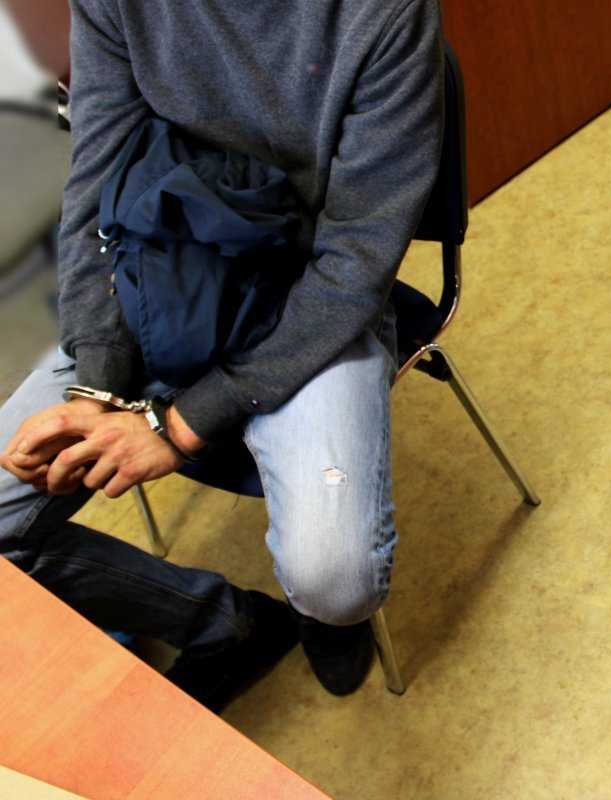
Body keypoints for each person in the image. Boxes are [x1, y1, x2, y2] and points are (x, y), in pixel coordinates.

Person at [0, 0, 444, 710]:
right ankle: (222, 625)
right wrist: (98, 383)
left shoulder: (382, 13)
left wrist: (179, 425)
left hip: (307, 297)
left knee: (336, 581)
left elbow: (357, 258)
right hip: (163, 279)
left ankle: (325, 618)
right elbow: (93, 192)